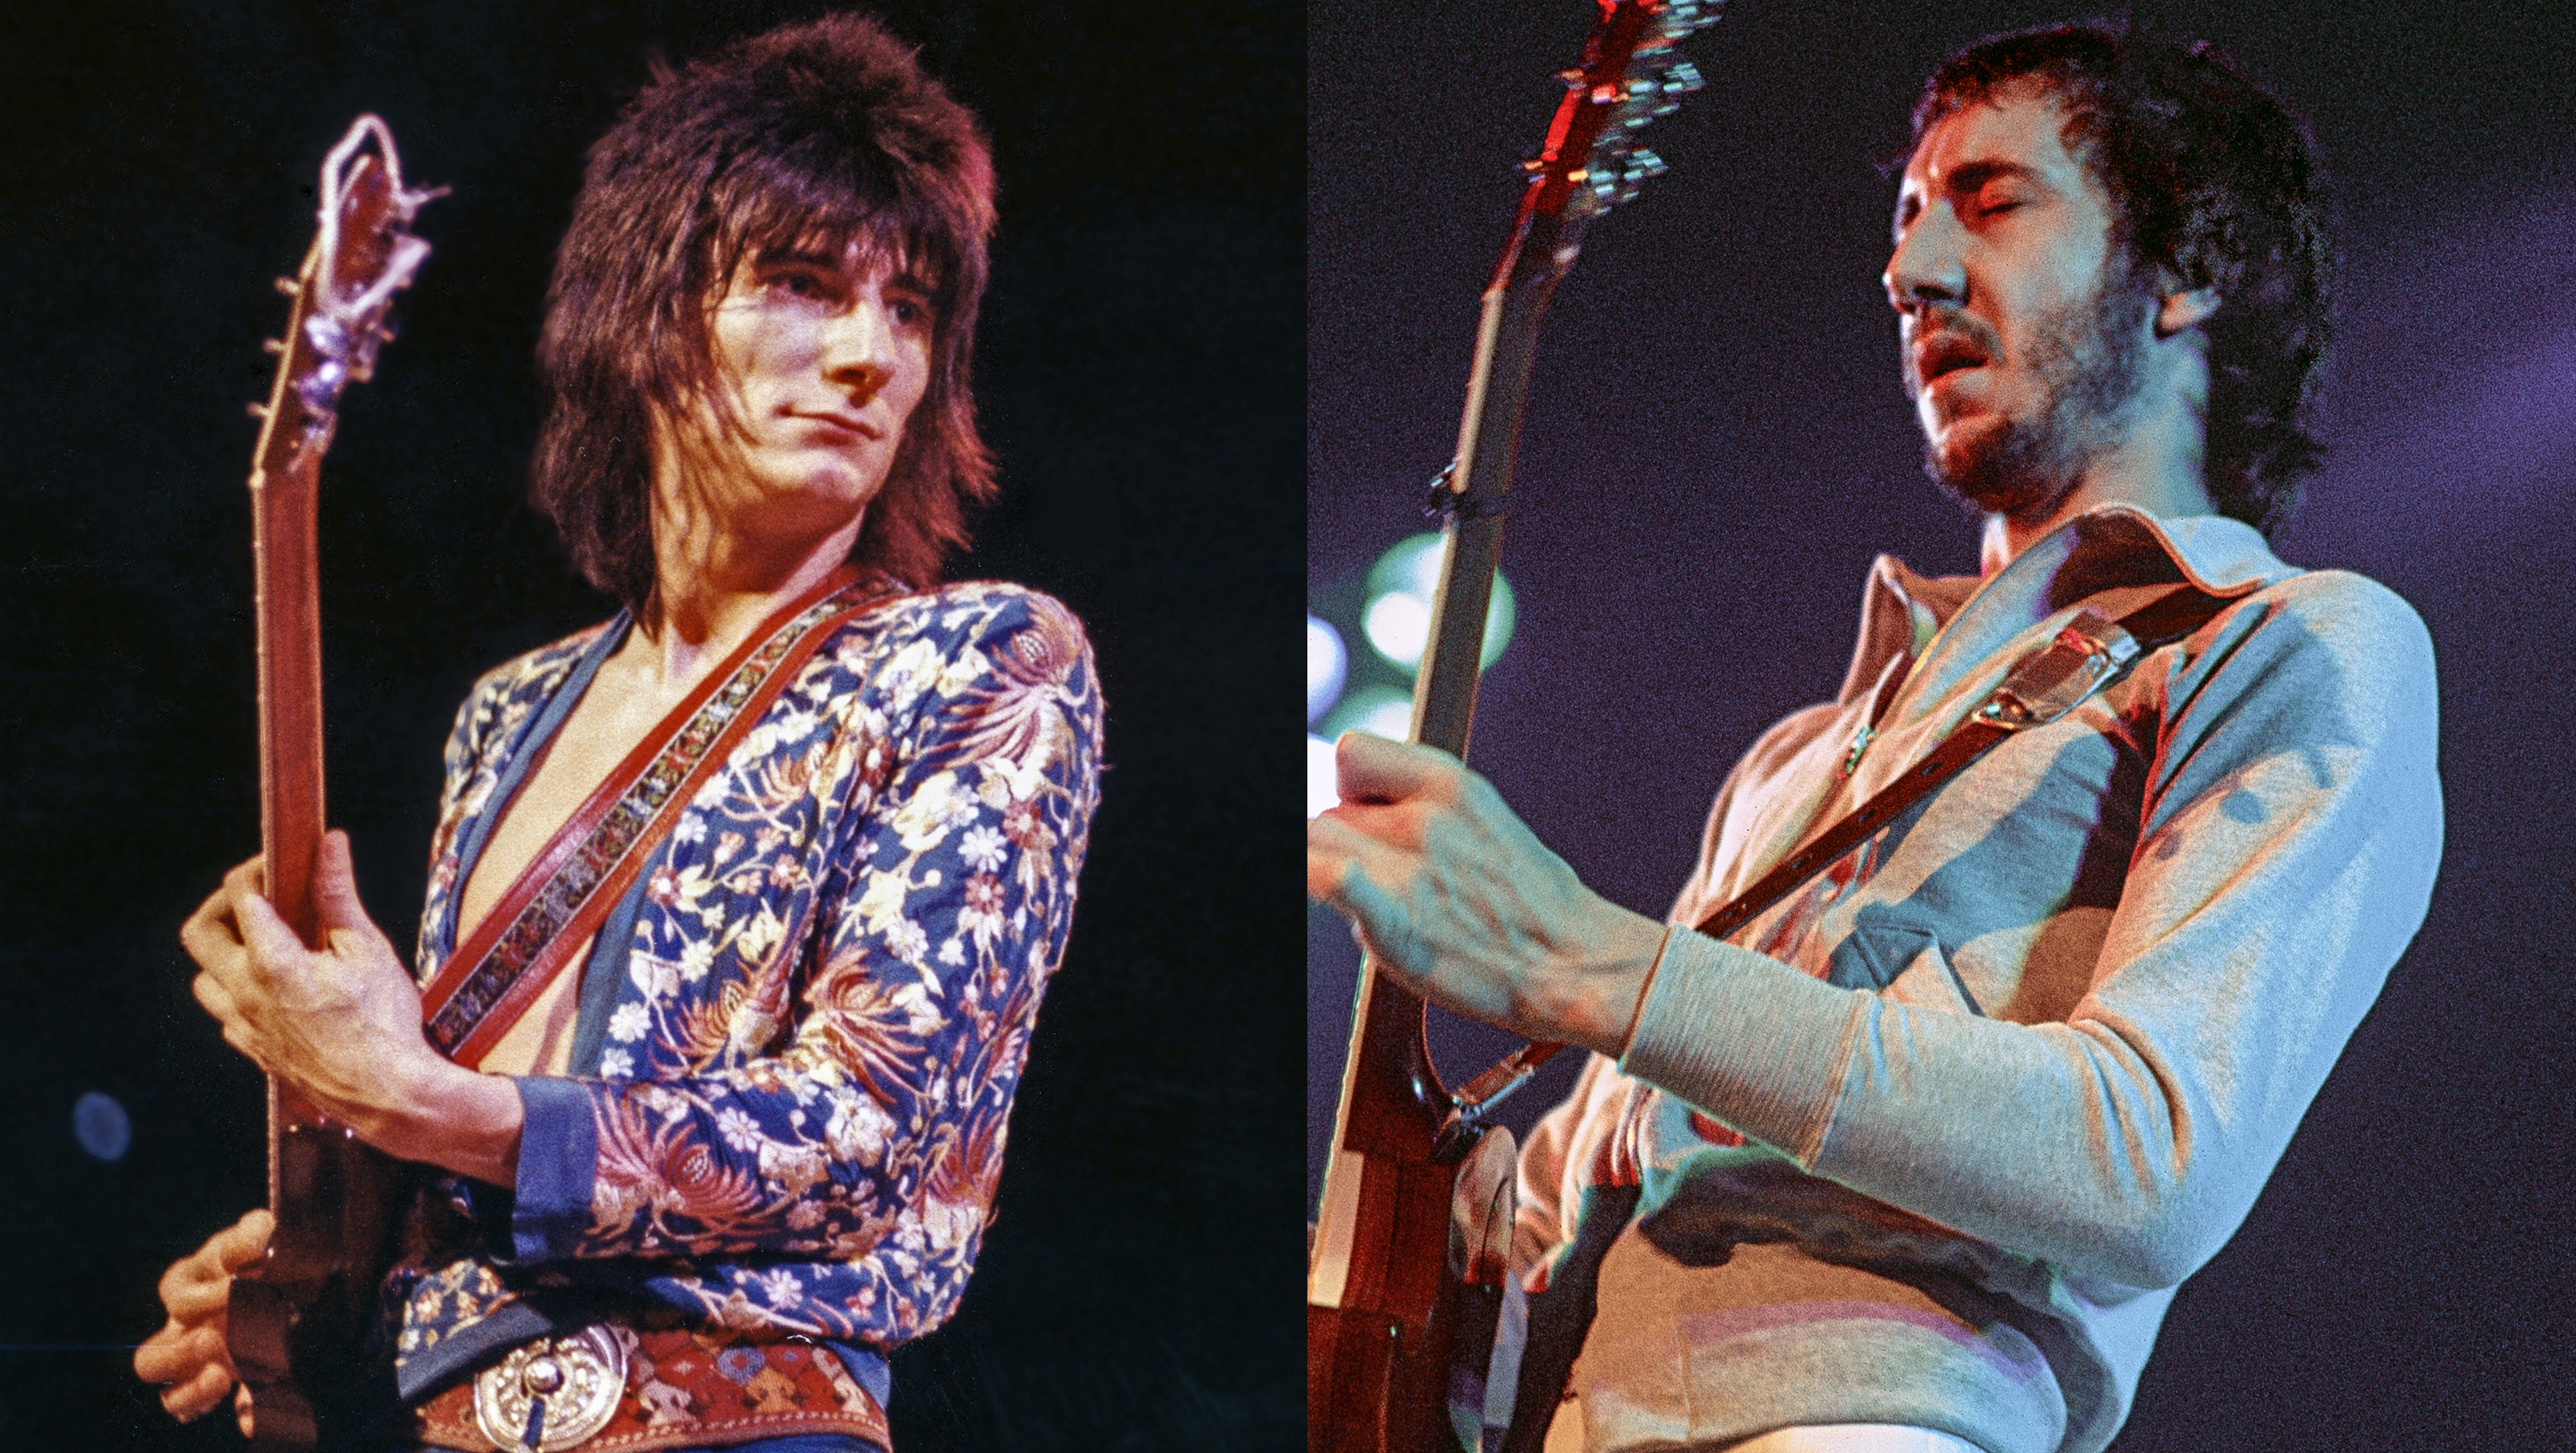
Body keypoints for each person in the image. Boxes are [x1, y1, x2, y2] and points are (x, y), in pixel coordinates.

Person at [1308, 23, 2441, 1453]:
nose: (1909, 275)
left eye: (1993, 200)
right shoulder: (1795, 756)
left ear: (2189, 269)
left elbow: (2147, 1160)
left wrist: (1586, 960)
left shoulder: (2288, 642)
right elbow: (1576, 1197)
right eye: (1907, 224)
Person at [134, 15, 1102, 1451]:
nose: (869, 357)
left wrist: (407, 1096)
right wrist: (331, 1246)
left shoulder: (983, 655)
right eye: (801, 283)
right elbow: (490, 1125)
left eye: (910, 308)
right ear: (648, 313)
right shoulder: (510, 712)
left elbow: (859, 1141)